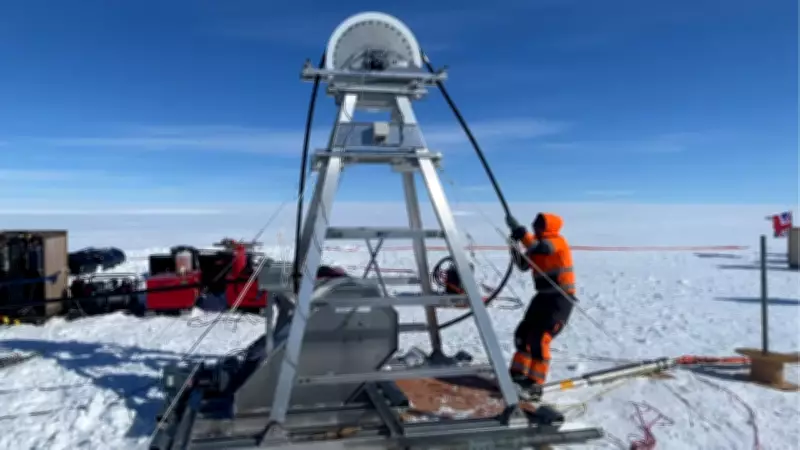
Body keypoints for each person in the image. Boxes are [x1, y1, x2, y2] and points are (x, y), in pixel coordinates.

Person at [505, 212, 576, 398]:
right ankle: (517, 374)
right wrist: (513, 246)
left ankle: (535, 383)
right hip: (542, 297)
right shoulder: (535, 245)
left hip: (559, 299)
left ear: (548, 227)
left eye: (539, 224)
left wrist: (522, 233)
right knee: (523, 333)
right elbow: (523, 264)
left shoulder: (557, 242)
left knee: (539, 338)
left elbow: (542, 248)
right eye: (535, 224)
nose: (535, 226)